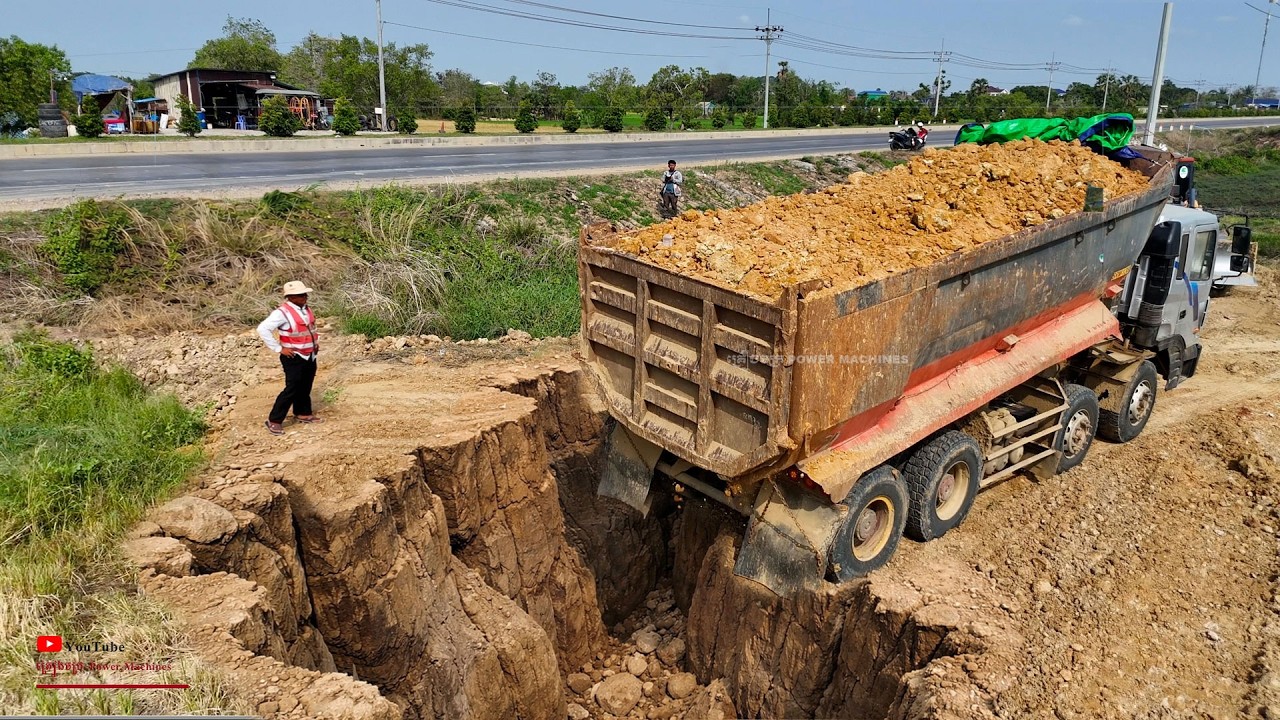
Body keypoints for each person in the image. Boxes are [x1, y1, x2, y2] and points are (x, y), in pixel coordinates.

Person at [258, 281, 324, 435]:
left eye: (305, 294)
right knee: (292, 388)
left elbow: (309, 329)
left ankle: (303, 412)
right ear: (291, 297)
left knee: (306, 385)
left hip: (309, 354)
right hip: (294, 356)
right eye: (301, 295)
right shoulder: (282, 313)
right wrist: (279, 348)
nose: (305, 297)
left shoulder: (305, 309)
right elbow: (263, 329)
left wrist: (315, 343)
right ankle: (274, 420)